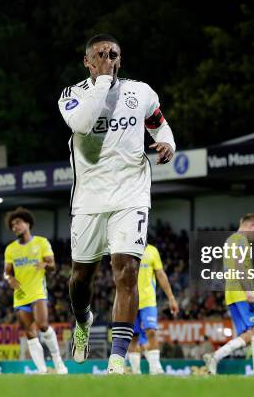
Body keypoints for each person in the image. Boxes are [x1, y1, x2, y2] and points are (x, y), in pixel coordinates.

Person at [58, 33, 176, 374]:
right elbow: (82, 123)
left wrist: (167, 142)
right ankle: (82, 321)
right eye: (101, 54)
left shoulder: (140, 91)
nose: (109, 57)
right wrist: (104, 81)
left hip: (131, 194)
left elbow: (159, 123)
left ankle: (117, 359)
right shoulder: (73, 95)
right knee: (81, 278)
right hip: (89, 199)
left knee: (127, 272)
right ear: (87, 61)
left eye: (114, 54)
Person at [4, 207, 67, 374]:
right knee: (29, 333)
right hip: (20, 295)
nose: (15, 227)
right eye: (12, 225)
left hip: (38, 292)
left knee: (43, 325)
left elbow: (53, 265)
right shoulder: (10, 249)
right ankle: (42, 370)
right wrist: (9, 279)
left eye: (18, 223)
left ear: (27, 223)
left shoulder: (41, 242)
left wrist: (45, 265)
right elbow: (7, 271)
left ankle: (58, 362)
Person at [204, 214, 254, 375]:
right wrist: (248, 290)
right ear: (251, 225)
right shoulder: (242, 240)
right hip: (242, 291)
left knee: (249, 334)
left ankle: (215, 357)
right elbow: (239, 265)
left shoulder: (229, 240)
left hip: (231, 292)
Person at [127, 244, 179, 374]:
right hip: (129, 301)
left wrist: (171, 298)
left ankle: (155, 369)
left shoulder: (152, 251)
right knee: (133, 337)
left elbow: (161, 274)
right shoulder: (127, 249)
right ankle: (136, 372)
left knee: (151, 332)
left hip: (148, 301)